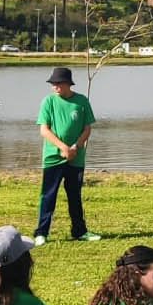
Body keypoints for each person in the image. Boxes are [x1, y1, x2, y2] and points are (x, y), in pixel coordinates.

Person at [34, 66, 99, 246]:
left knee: (74, 195)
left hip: (76, 157)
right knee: (48, 195)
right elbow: (44, 130)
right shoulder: (48, 101)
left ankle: (80, 231)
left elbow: (87, 128)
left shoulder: (81, 101)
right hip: (53, 157)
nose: (55, 87)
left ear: (67, 84)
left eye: (58, 83)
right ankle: (42, 232)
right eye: (53, 84)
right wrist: (63, 147)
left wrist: (75, 147)